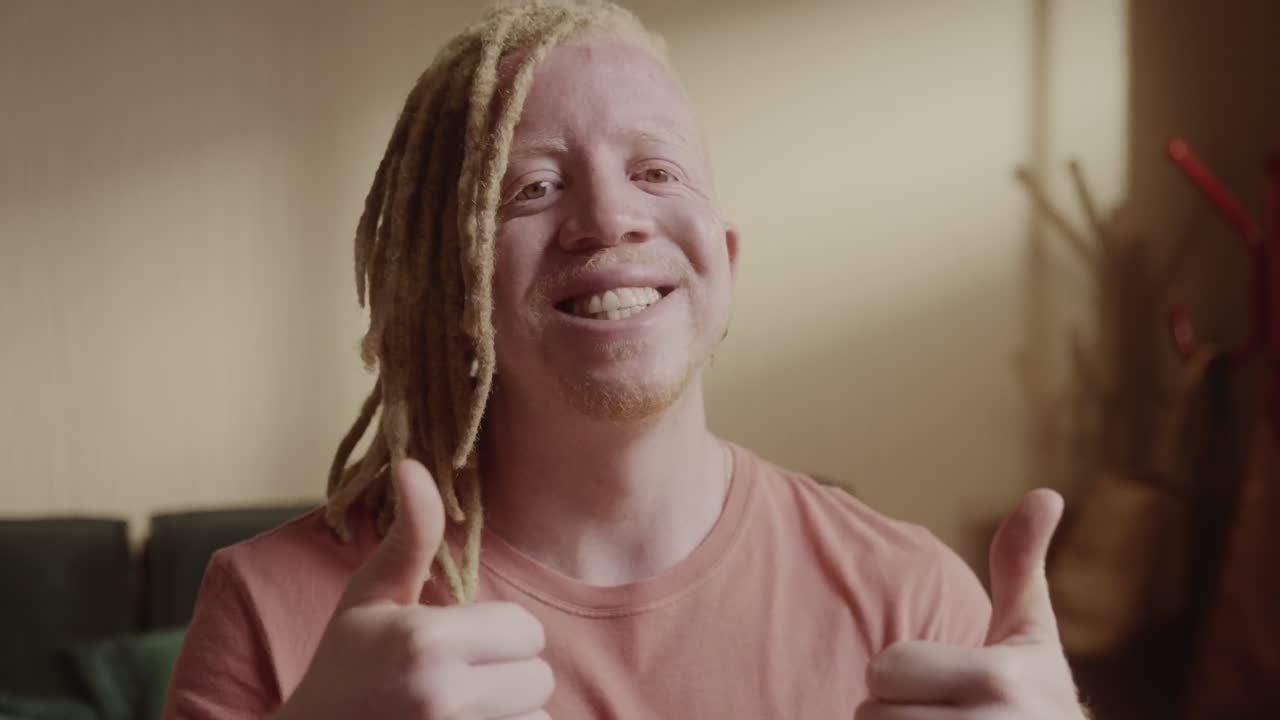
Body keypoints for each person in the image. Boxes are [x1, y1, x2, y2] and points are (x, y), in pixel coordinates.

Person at [163, 1, 1087, 718]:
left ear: (724, 263)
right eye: (532, 188)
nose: (609, 219)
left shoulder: (912, 594)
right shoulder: (267, 605)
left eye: (655, 172)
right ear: (452, 291)